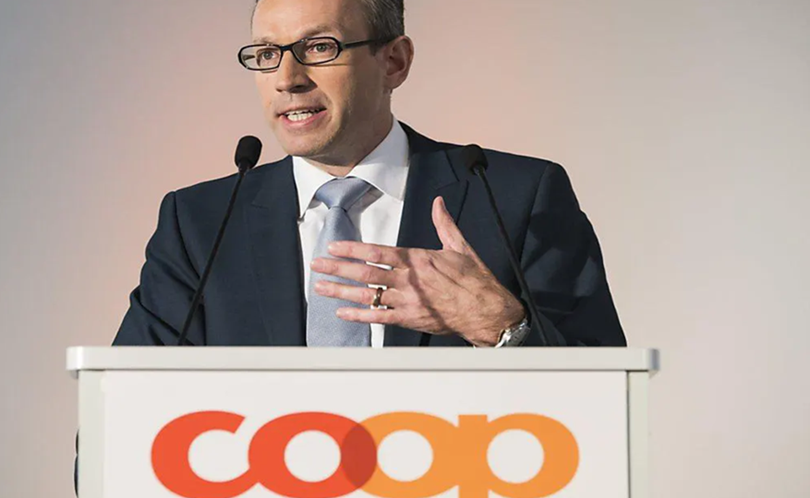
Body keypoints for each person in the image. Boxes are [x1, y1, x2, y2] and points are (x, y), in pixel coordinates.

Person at [112, 0, 626, 350]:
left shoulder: (514, 198)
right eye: (267, 54)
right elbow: (121, 410)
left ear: (394, 62)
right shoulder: (199, 223)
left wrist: (502, 328)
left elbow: (605, 401)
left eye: (320, 47)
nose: (287, 80)